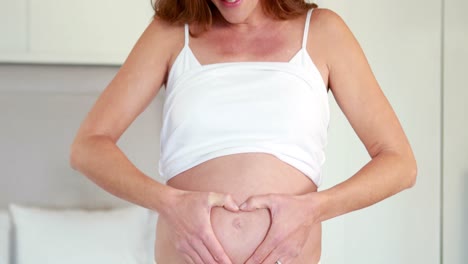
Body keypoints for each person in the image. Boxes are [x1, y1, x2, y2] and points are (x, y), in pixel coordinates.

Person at [70, 0, 417, 263]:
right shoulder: (172, 33)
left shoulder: (324, 32)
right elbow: (88, 146)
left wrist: (313, 209)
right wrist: (170, 203)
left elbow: (399, 163)